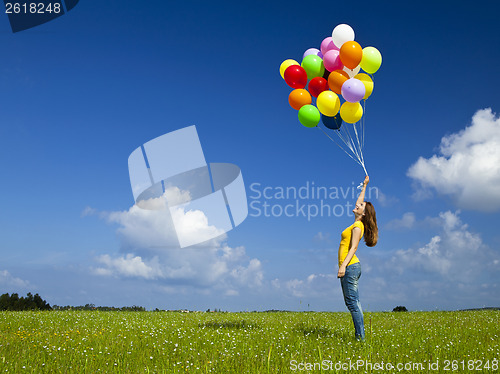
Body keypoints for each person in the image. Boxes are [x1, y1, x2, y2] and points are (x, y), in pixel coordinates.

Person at [337, 175, 378, 341]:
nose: (357, 205)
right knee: (352, 303)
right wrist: (365, 186)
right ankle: (360, 336)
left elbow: (353, 248)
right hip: (351, 267)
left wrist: (342, 266)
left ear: (363, 213)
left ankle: (360, 338)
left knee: (353, 303)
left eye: (360, 206)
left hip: (350, 266)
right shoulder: (357, 222)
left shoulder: (357, 226)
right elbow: (360, 200)